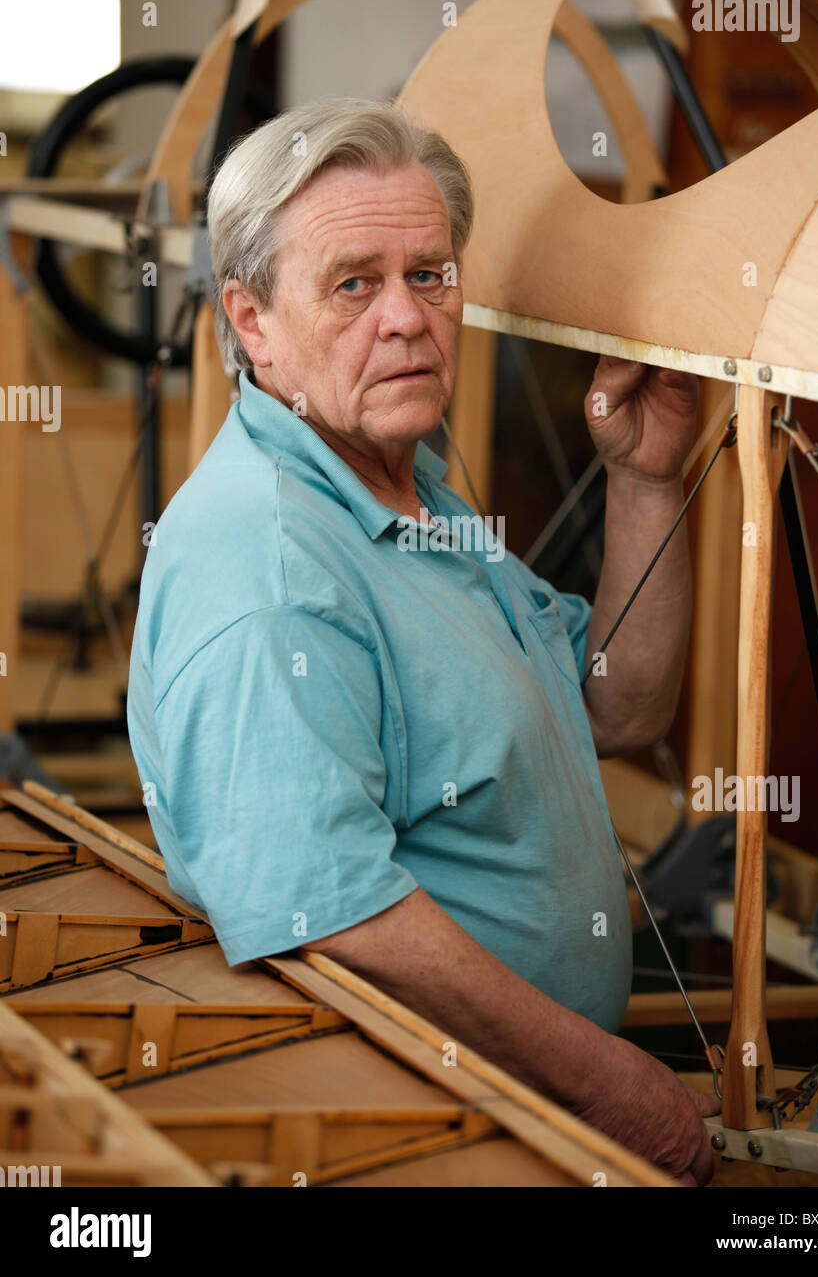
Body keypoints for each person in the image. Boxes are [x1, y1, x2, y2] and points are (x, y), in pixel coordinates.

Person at [127, 97, 717, 1184]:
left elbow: (615, 708)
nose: (406, 317)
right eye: (354, 282)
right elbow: (329, 909)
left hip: (516, 1101)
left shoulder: (404, 488)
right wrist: (611, 1086)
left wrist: (643, 478)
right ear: (253, 322)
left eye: (431, 275)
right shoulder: (268, 565)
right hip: (427, 1134)